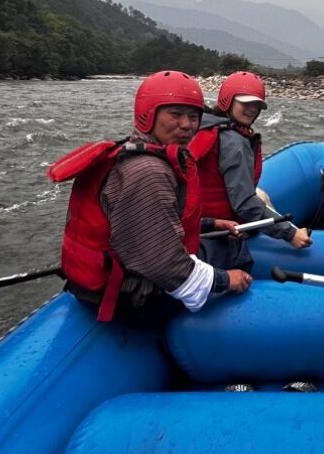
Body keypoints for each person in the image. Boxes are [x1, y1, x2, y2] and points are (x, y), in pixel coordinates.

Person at [48, 70, 252, 330]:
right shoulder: (147, 172)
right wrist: (225, 280)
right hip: (132, 299)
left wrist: (210, 224)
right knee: (234, 250)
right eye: (175, 114)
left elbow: (147, 223)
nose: (187, 125)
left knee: (215, 240)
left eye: (193, 117)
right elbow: (163, 263)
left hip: (112, 280)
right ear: (148, 115)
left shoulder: (137, 155)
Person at [190, 71, 311, 275]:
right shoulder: (234, 142)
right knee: (259, 200)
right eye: (245, 103)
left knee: (262, 196)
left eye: (256, 105)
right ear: (228, 100)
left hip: (201, 218)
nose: (251, 109)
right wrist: (290, 234)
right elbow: (245, 204)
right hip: (220, 227)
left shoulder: (205, 125)